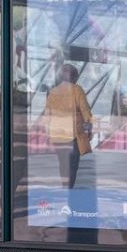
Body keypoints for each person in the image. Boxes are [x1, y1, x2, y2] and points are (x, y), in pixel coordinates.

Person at [42, 60, 94, 189]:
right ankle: (69, 188)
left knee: (63, 163)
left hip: (57, 134)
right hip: (73, 135)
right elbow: (85, 111)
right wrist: (89, 129)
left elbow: (47, 115)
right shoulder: (77, 90)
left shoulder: (53, 92)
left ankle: (65, 186)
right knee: (73, 165)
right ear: (74, 77)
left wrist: (47, 134)